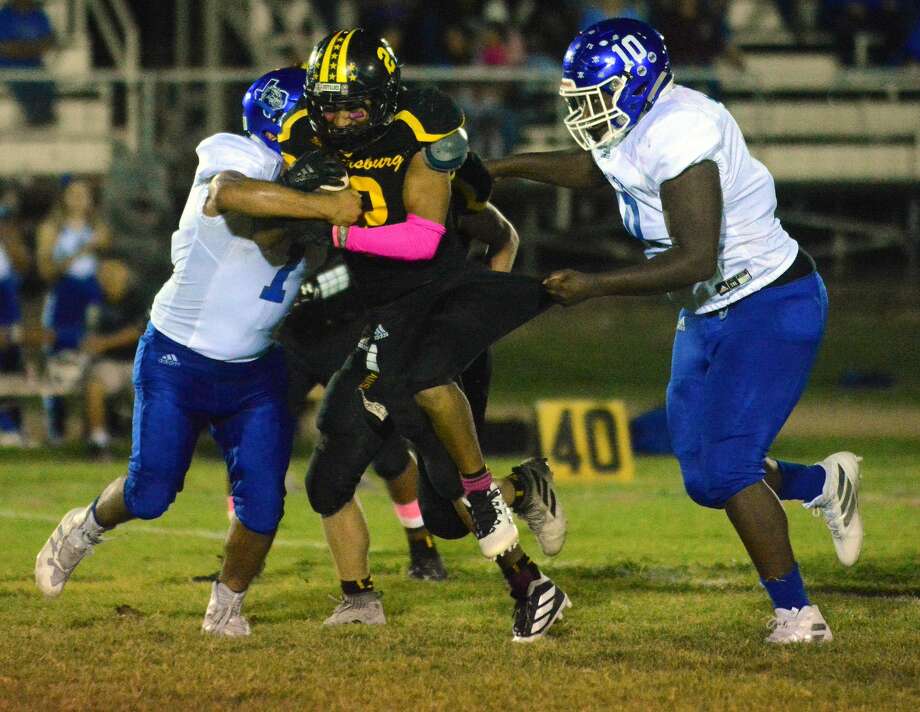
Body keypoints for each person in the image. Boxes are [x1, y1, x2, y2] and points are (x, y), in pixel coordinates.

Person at [486, 17, 864, 644]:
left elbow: (695, 259)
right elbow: (596, 168)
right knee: (703, 477)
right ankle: (824, 483)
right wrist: (501, 167)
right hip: (710, 310)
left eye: (595, 97)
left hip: (768, 302)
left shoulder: (682, 129)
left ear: (635, 87)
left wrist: (595, 285)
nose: (585, 112)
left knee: (730, 469)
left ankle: (799, 616)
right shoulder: (638, 122)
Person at [34, 67, 363, 637]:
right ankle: (82, 528)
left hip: (256, 368)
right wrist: (320, 206)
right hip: (178, 358)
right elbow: (230, 197)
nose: (330, 124)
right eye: (318, 115)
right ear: (284, 120)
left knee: (263, 507)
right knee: (151, 492)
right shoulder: (239, 157)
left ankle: (226, 603)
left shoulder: (313, 178)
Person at [278, 28, 570, 641]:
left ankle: (530, 582)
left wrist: (328, 227)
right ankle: (359, 597)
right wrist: (298, 197)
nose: (341, 118)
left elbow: (424, 238)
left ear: (384, 97)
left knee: (449, 497)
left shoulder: (423, 128)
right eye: (330, 104)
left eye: (355, 104)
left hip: (438, 309)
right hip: (381, 319)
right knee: (330, 472)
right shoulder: (303, 132)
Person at [278, 152, 526, 584]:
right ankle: (242, 563)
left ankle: (442, 539)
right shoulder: (307, 196)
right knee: (256, 436)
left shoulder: (426, 204)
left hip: (368, 336)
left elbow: (501, 236)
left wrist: (485, 312)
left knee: (425, 480)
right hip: (298, 339)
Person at [37, 178, 110, 443]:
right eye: (73, 193)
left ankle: (92, 428)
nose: (79, 199)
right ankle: (56, 427)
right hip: (64, 298)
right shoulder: (52, 228)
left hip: (91, 299)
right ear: (64, 198)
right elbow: (45, 270)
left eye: (84, 194)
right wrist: (83, 248)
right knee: (59, 357)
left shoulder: (99, 228)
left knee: (90, 357)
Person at [80, 259, 147, 458]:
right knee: (95, 385)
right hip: (108, 363)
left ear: (125, 277)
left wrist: (105, 342)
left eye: (113, 274)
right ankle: (99, 442)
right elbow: (85, 331)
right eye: (104, 275)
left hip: (137, 361)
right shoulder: (95, 300)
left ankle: (151, 447)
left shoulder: (138, 299)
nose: (108, 279)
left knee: (149, 392)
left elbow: (139, 330)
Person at [0, 182, 30, 446]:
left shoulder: (6, 232)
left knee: (13, 360)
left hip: (7, 309)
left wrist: (7, 236)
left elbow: (22, 266)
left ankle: (11, 424)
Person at [0, 0, 56, 125]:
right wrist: (32, 48)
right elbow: (4, 47)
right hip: (9, 66)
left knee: (47, 86)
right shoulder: (4, 15)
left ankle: (44, 120)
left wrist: (23, 48)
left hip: (35, 64)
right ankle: (33, 119)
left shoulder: (38, 14)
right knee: (24, 85)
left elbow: (48, 41)